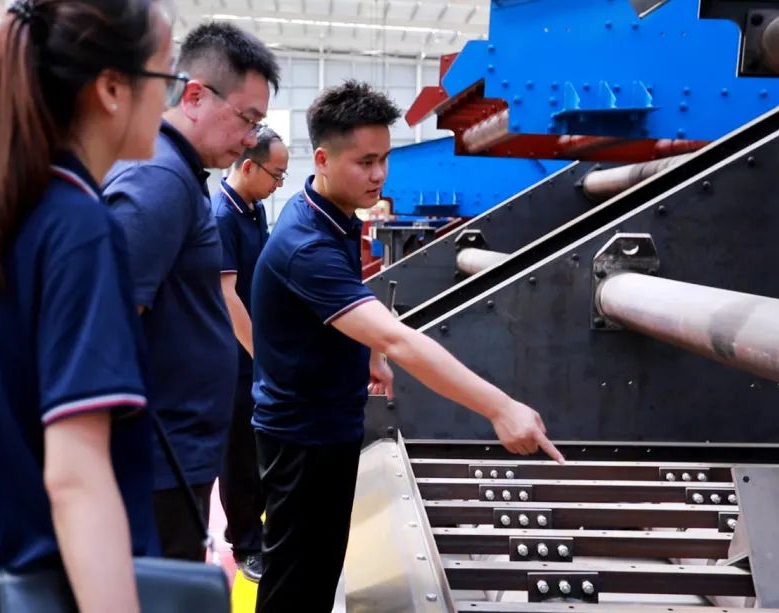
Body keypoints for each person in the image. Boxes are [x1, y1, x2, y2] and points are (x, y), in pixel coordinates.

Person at [250, 80, 566, 612]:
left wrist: (369, 355)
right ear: (323, 159)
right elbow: (399, 338)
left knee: (319, 570)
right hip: (302, 440)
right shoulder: (305, 245)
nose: (379, 175)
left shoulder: (332, 211)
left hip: (326, 422)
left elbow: (355, 307)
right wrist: (500, 407)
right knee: (295, 584)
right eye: (365, 162)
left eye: (384, 159)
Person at [0, 0, 186, 610]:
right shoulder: (79, 230)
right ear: (112, 89)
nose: (170, 100)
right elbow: (77, 479)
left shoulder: (5, 217)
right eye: (166, 77)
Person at [102, 22, 280, 562]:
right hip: (157, 462)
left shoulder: (178, 174)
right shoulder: (160, 181)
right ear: (196, 96)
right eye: (247, 119)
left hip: (172, 454)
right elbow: (106, 326)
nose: (250, 138)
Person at [212, 127, 289, 581]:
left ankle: (262, 530)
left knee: (259, 443)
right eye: (275, 174)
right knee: (239, 452)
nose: (279, 183)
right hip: (234, 354)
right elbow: (227, 296)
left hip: (255, 350)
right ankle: (245, 544)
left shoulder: (253, 209)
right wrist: (261, 355)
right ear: (247, 166)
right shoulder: (223, 215)